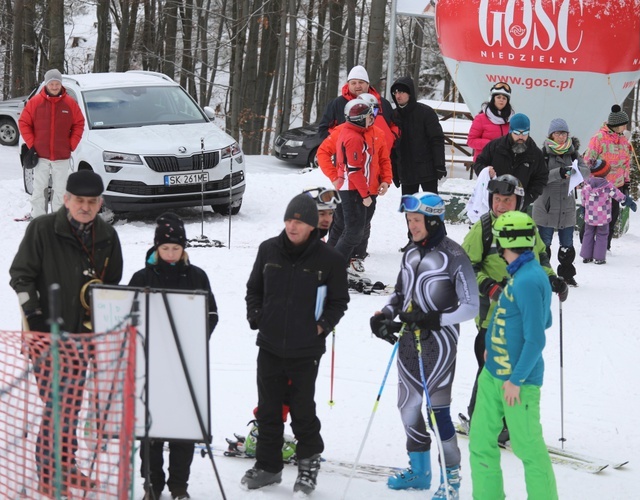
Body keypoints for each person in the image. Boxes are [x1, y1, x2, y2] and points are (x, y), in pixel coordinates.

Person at [9, 170, 123, 496]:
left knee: (70, 404)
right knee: (58, 404)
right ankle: (50, 473)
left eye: (92, 202)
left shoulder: (107, 237)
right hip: (44, 336)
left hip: (82, 338)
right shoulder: (42, 229)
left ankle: (66, 465)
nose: (85, 207)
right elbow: (20, 275)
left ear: (100, 203)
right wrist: (35, 316)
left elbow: (111, 285)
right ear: (66, 199)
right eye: (79, 201)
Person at [369, 192, 479, 499]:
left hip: (440, 345)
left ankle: (452, 480)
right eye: (409, 219)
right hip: (408, 341)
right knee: (407, 407)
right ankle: (420, 471)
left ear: (433, 220)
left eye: (417, 220)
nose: (412, 225)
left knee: (437, 413)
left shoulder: (454, 256)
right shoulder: (410, 253)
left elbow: (472, 307)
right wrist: (384, 317)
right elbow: (400, 293)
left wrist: (434, 319)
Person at [242, 194, 349, 495]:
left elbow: (339, 302)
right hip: (270, 345)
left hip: (306, 349)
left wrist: (321, 327)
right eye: (289, 220)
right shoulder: (268, 250)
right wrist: (257, 316)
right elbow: (254, 289)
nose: (292, 226)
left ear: (312, 226)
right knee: (269, 410)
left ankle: (307, 466)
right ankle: (268, 466)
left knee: (302, 410)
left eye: (299, 222)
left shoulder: (331, 260)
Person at [468, 210, 558, 500]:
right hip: (492, 374)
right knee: (481, 442)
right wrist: (490, 347)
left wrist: (516, 379)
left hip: (517, 384)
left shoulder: (530, 279)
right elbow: (511, 316)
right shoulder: (518, 274)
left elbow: (536, 337)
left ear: (502, 242)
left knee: (527, 448)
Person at [129, 213, 218, 500]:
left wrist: (194, 340)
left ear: (184, 249)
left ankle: (180, 485)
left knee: (183, 429)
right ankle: (151, 484)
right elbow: (129, 317)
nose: (170, 254)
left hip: (185, 365)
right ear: (156, 248)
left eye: (175, 249)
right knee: (150, 431)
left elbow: (211, 315)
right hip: (150, 368)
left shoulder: (196, 276)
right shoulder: (141, 278)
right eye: (165, 248)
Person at [461, 175, 565, 422]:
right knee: (489, 370)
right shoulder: (484, 228)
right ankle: (479, 419)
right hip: (490, 317)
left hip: (518, 317)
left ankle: (508, 421)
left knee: (513, 372)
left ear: (518, 201)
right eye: (496, 199)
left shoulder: (526, 225)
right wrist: (489, 287)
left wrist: (552, 279)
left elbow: (539, 258)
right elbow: (465, 267)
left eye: (507, 200)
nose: (500, 205)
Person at [318, 93, 393, 272]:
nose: (373, 115)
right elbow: (323, 154)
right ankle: (333, 260)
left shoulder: (378, 132)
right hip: (352, 186)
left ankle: (356, 257)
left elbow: (384, 159)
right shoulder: (345, 131)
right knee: (343, 225)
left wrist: (386, 180)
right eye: (370, 110)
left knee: (363, 224)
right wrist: (335, 177)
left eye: (376, 110)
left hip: (371, 187)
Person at [18, 68, 85, 219]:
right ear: (46, 84)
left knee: (60, 190)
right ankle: (38, 218)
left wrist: (71, 144)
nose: (54, 86)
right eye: (51, 84)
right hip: (40, 155)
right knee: (39, 189)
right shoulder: (35, 102)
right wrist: (32, 144)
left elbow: (79, 123)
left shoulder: (70, 103)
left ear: (61, 84)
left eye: (57, 83)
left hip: (62, 155)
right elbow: (23, 123)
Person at [532, 118, 589, 287]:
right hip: (546, 206)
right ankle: (543, 275)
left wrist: (576, 172)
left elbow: (586, 171)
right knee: (544, 244)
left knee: (567, 245)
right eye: (557, 133)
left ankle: (566, 275)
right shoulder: (542, 153)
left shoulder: (574, 153)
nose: (561, 137)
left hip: (567, 205)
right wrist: (559, 172)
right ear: (551, 135)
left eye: (564, 133)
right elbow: (539, 177)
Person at [471, 113, 547, 211]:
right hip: (495, 204)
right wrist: (486, 171)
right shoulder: (495, 147)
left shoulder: (535, 153)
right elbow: (479, 163)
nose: (521, 137)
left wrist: (526, 198)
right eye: (517, 133)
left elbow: (541, 178)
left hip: (519, 207)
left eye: (524, 133)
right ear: (510, 131)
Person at [583, 104, 632, 250]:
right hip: (599, 187)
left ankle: (605, 246)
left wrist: (626, 183)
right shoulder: (598, 138)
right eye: (623, 125)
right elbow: (588, 161)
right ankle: (587, 245)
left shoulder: (623, 140)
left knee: (611, 218)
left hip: (616, 186)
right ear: (616, 125)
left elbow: (626, 163)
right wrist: (590, 182)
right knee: (593, 218)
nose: (625, 128)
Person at [333, 99, 375, 265]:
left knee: (351, 230)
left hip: (350, 187)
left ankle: (338, 265)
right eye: (368, 116)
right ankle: (333, 267)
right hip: (352, 189)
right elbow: (354, 170)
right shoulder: (354, 138)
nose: (372, 119)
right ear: (359, 119)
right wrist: (365, 194)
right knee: (353, 232)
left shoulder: (353, 133)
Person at [389, 76, 446, 194]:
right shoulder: (394, 116)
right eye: (395, 92)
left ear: (410, 93)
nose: (398, 95)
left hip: (427, 170)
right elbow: (392, 147)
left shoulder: (425, 113)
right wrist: (394, 171)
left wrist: (439, 164)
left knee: (431, 209)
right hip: (406, 172)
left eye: (402, 92)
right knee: (410, 210)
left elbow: (437, 140)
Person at [580, 160, 638, 264]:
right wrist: (628, 202)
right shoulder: (608, 187)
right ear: (605, 173)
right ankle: (599, 258)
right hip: (603, 217)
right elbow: (619, 196)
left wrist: (583, 208)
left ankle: (586, 256)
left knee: (588, 233)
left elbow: (583, 198)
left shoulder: (587, 186)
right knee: (602, 235)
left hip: (590, 216)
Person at [318, 65, 395, 140]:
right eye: (353, 83)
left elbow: (395, 126)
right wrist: (340, 141)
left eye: (361, 82)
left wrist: (391, 140)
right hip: (349, 150)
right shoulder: (337, 104)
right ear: (348, 85)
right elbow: (324, 129)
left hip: (381, 151)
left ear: (368, 84)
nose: (357, 86)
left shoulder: (382, 103)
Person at [467, 82, 514, 162]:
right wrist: (491, 144)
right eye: (498, 97)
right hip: (484, 161)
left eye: (504, 98)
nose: (501, 100)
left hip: (504, 162)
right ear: (493, 98)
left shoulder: (510, 119)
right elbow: (471, 141)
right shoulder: (481, 118)